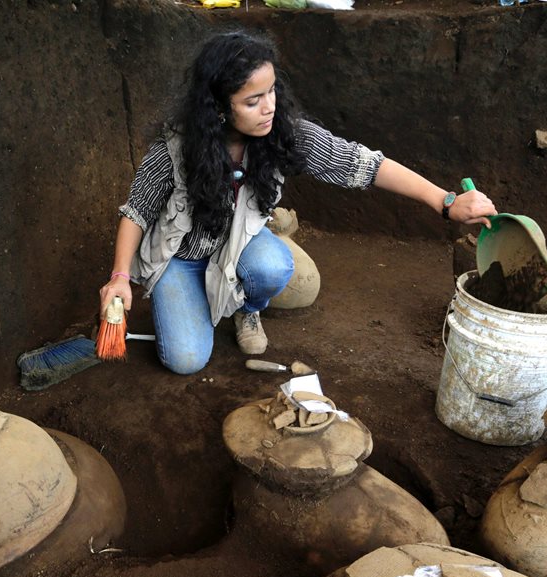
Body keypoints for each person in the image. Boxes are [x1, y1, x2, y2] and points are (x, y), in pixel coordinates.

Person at [98, 30, 496, 375]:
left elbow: (365, 165)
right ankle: (196, 299)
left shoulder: (284, 133)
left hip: (239, 248)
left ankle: (245, 307)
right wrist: (119, 277)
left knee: (275, 267)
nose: (269, 106)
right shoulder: (175, 147)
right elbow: (138, 211)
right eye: (252, 100)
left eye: (271, 91)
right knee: (185, 360)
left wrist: (445, 202)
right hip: (181, 258)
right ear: (219, 108)